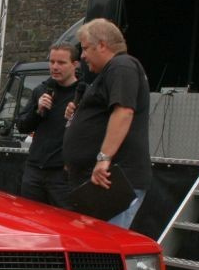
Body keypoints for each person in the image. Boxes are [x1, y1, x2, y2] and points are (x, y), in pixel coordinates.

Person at [63, 19, 151, 229]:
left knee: (104, 241)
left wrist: (104, 158)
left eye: (85, 48)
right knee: (91, 242)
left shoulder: (122, 66)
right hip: (101, 180)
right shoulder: (111, 71)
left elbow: (124, 112)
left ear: (102, 45)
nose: (82, 56)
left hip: (114, 179)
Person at [15, 43, 84, 208]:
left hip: (63, 175)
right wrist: (37, 110)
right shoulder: (42, 90)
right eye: (52, 62)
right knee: (29, 216)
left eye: (61, 62)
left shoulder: (83, 93)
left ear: (75, 64)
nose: (55, 67)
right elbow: (22, 126)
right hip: (34, 170)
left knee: (64, 219)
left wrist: (76, 117)